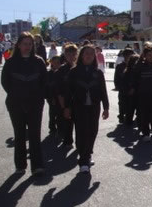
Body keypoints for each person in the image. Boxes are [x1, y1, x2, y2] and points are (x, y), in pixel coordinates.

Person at [0, 32, 47, 175]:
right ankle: (20, 165)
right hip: (16, 104)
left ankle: (37, 166)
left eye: (30, 44)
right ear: (19, 45)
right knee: (19, 134)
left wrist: (38, 97)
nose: (27, 47)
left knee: (35, 134)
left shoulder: (39, 61)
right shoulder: (10, 62)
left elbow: (44, 82)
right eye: (25, 44)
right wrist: (16, 94)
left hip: (35, 104)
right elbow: (5, 82)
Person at [63, 45, 109, 173]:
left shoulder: (98, 73)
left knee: (93, 131)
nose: (89, 56)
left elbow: (103, 91)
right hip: (79, 106)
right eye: (86, 53)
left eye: (92, 54)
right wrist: (67, 107)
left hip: (94, 106)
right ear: (81, 55)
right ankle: (83, 160)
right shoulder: (74, 72)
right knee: (81, 132)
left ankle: (88, 153)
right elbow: (68, 92)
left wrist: (106, 107)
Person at [132, 42, 152, 141]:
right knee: (144, 115)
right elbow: (135, 71)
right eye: (149, 55)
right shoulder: (140, 66)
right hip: (143, 95)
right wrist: (142, 56)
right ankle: (146, 133)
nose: (151, 57)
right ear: (144, 55)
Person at [56, 44, 79, 149]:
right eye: (69, 54)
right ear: (65, 55)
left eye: (73, 54)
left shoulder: (80, 68)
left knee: (80, 124)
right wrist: (63, 106)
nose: (71, 57)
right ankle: (68, 141)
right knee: (67, 122)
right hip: (66, 101)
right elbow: (59, 90)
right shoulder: (61, 70)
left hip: (79, 101)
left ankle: (80, 143)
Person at [114, 48, 134, 124]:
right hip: (122, 88)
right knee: (122, 103)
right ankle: (121, 115)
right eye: (129, 56)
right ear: (125, 56)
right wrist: (117, 86)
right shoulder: (120, 66)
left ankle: (129, 118)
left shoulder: (134, 66)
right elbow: (116, 77)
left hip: (131, 88)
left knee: (131, 104)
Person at [46, 55, 62, 135]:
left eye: (58, 63)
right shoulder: (49, 74)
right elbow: (48, 87)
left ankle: (59, 126)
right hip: (51, 96)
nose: (57, 64)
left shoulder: (61, 73)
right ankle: (52, 127)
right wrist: (51, 97)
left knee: (60, 112)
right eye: (55, 62)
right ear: (51, 63)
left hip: (60, 96)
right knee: (52, 112)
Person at [124, 54, 141, 126]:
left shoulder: (140, 70)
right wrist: (129, 89)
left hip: (139, 92)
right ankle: (128, 121)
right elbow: (124, 83)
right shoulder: (127, 72)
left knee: (139, 109)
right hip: (130, 93)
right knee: (130, 108)